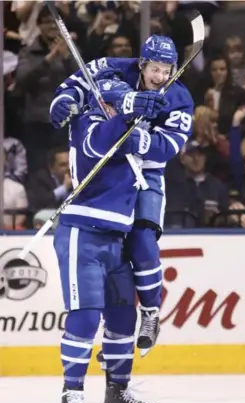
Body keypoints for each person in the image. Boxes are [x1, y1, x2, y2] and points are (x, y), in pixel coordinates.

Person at [49, 34, 194, 357]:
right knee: (116, 253)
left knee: (142, 242)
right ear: (141, 64)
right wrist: (63, 99)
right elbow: (82, 80)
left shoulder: (180, 98)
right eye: (155, 69)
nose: (160, 77)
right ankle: (115, 340)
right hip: (113, 169)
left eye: (166, 70)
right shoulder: (117, 68)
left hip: (147, 172)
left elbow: (167, 148)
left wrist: (136, 140)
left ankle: (152, 314)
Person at [54, 78, 165, 403]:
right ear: (103, 105)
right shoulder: (88, 123)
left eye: (122, 106)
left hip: (117, 238)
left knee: (122, 319)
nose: (119, 111)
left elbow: (159, 151)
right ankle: (72, 391)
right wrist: (125, 116)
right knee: (86, 318)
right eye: (115, 105)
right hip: (81, 232)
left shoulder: (129, 130)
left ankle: (117, 391)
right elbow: (100, 145)